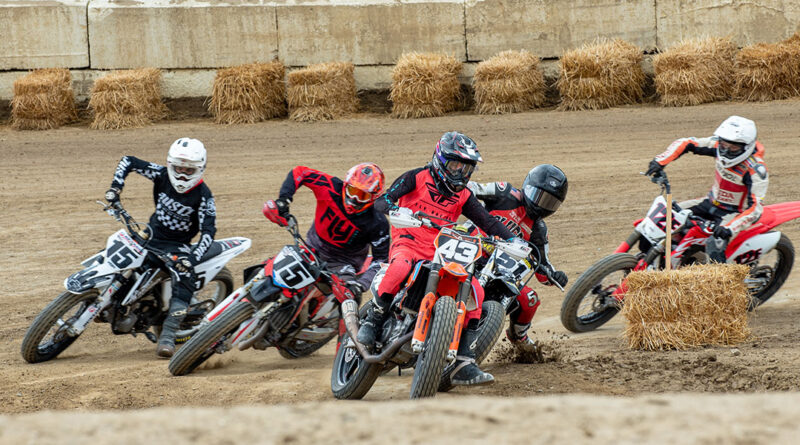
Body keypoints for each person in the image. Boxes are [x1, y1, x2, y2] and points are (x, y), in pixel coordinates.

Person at [358, 131, 515, 386]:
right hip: (408, 239)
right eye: (456, 165)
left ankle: (464, 360)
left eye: (466, 168)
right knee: (400, 268)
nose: (460, 173)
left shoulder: (463, 196)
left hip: (439, 248)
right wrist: (396, 209)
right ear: (441, 159)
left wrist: (514, 241)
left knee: (474, 289)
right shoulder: (417, 177)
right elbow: (383, 200)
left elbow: (487, 222)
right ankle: (374, 321)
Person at [105, 137, 216, 358]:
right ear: (170, 164)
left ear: (200, 168)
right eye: (178, 167)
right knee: (117, 258)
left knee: (185, 278)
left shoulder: (204, 196)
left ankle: (168, 335)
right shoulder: (161, 174)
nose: (182, 174)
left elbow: (208, 232)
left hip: (178, 247)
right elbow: (128, 161)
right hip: (149, 235)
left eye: (189, 169)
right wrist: (115, 189)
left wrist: (191, 259)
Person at [467, 164, 569, 352]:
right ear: (528, 186)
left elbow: (542, 266)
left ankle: (518, 336)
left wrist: (555, 276)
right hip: (471, 250)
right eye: (540, 196)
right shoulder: (504, 192)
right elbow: (471, 188)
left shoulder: (539, 230)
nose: (541, 205)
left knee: (530, 299)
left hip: (501, 270)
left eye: (550, 202)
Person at [644, 116, 768, 263]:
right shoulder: (717, 146)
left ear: (746, 147)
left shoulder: (755, 169)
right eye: (724, 145)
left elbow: (756, 208)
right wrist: (661, 161)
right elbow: (687, 142)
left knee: (715, 244)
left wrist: (729, 228)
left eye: (733, 147)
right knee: (663, 216)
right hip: (709, 203)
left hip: (732, 215)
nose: (726, 150)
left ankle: (722, 283)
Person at [262, 163, 390, 299]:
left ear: (374, 197)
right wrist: (284, 200)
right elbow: (301, 172)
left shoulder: (378, 223)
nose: (354, 199)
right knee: (268, 270)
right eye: (353, 191)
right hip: (310, 247)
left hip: (342, 264)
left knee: (349, 299)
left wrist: (361, 285)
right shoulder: (331, 187)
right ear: (345, 185)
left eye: (362, 196)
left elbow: (381, 260)